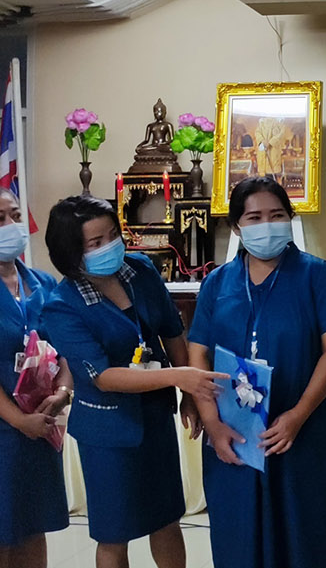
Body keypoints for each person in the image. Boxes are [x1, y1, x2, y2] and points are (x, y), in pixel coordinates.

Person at [42, 195, 225, 568]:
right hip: (108, 432)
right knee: (114, 532)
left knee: (166, 518)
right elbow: (103, 377)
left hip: (154, 418)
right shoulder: (61, 306)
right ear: (71, 253)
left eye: (113, 235)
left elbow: (171, 331)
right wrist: (179, 377)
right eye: (96, 242)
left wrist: (188, 395)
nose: (110, 246)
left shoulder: (139, 269)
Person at [187, 176, 326, 568]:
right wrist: (212, 423)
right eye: (255, 217)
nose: (267, 225)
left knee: (308, 537)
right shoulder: (217, 283)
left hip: (305, 427)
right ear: (236, 226)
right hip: (234, 431)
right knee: (239, 538)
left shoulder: (317, 274)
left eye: (277, 215)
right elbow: (198, 353)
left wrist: (298, 415)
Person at [0, 189, 71, 568]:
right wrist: (18, 420)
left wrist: (63, 392)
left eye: (15, 215)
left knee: (33, 526)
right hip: (7, 428)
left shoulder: (43, 284)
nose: (10, 226)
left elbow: (66, 348)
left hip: (41, 424)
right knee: (5, 531)